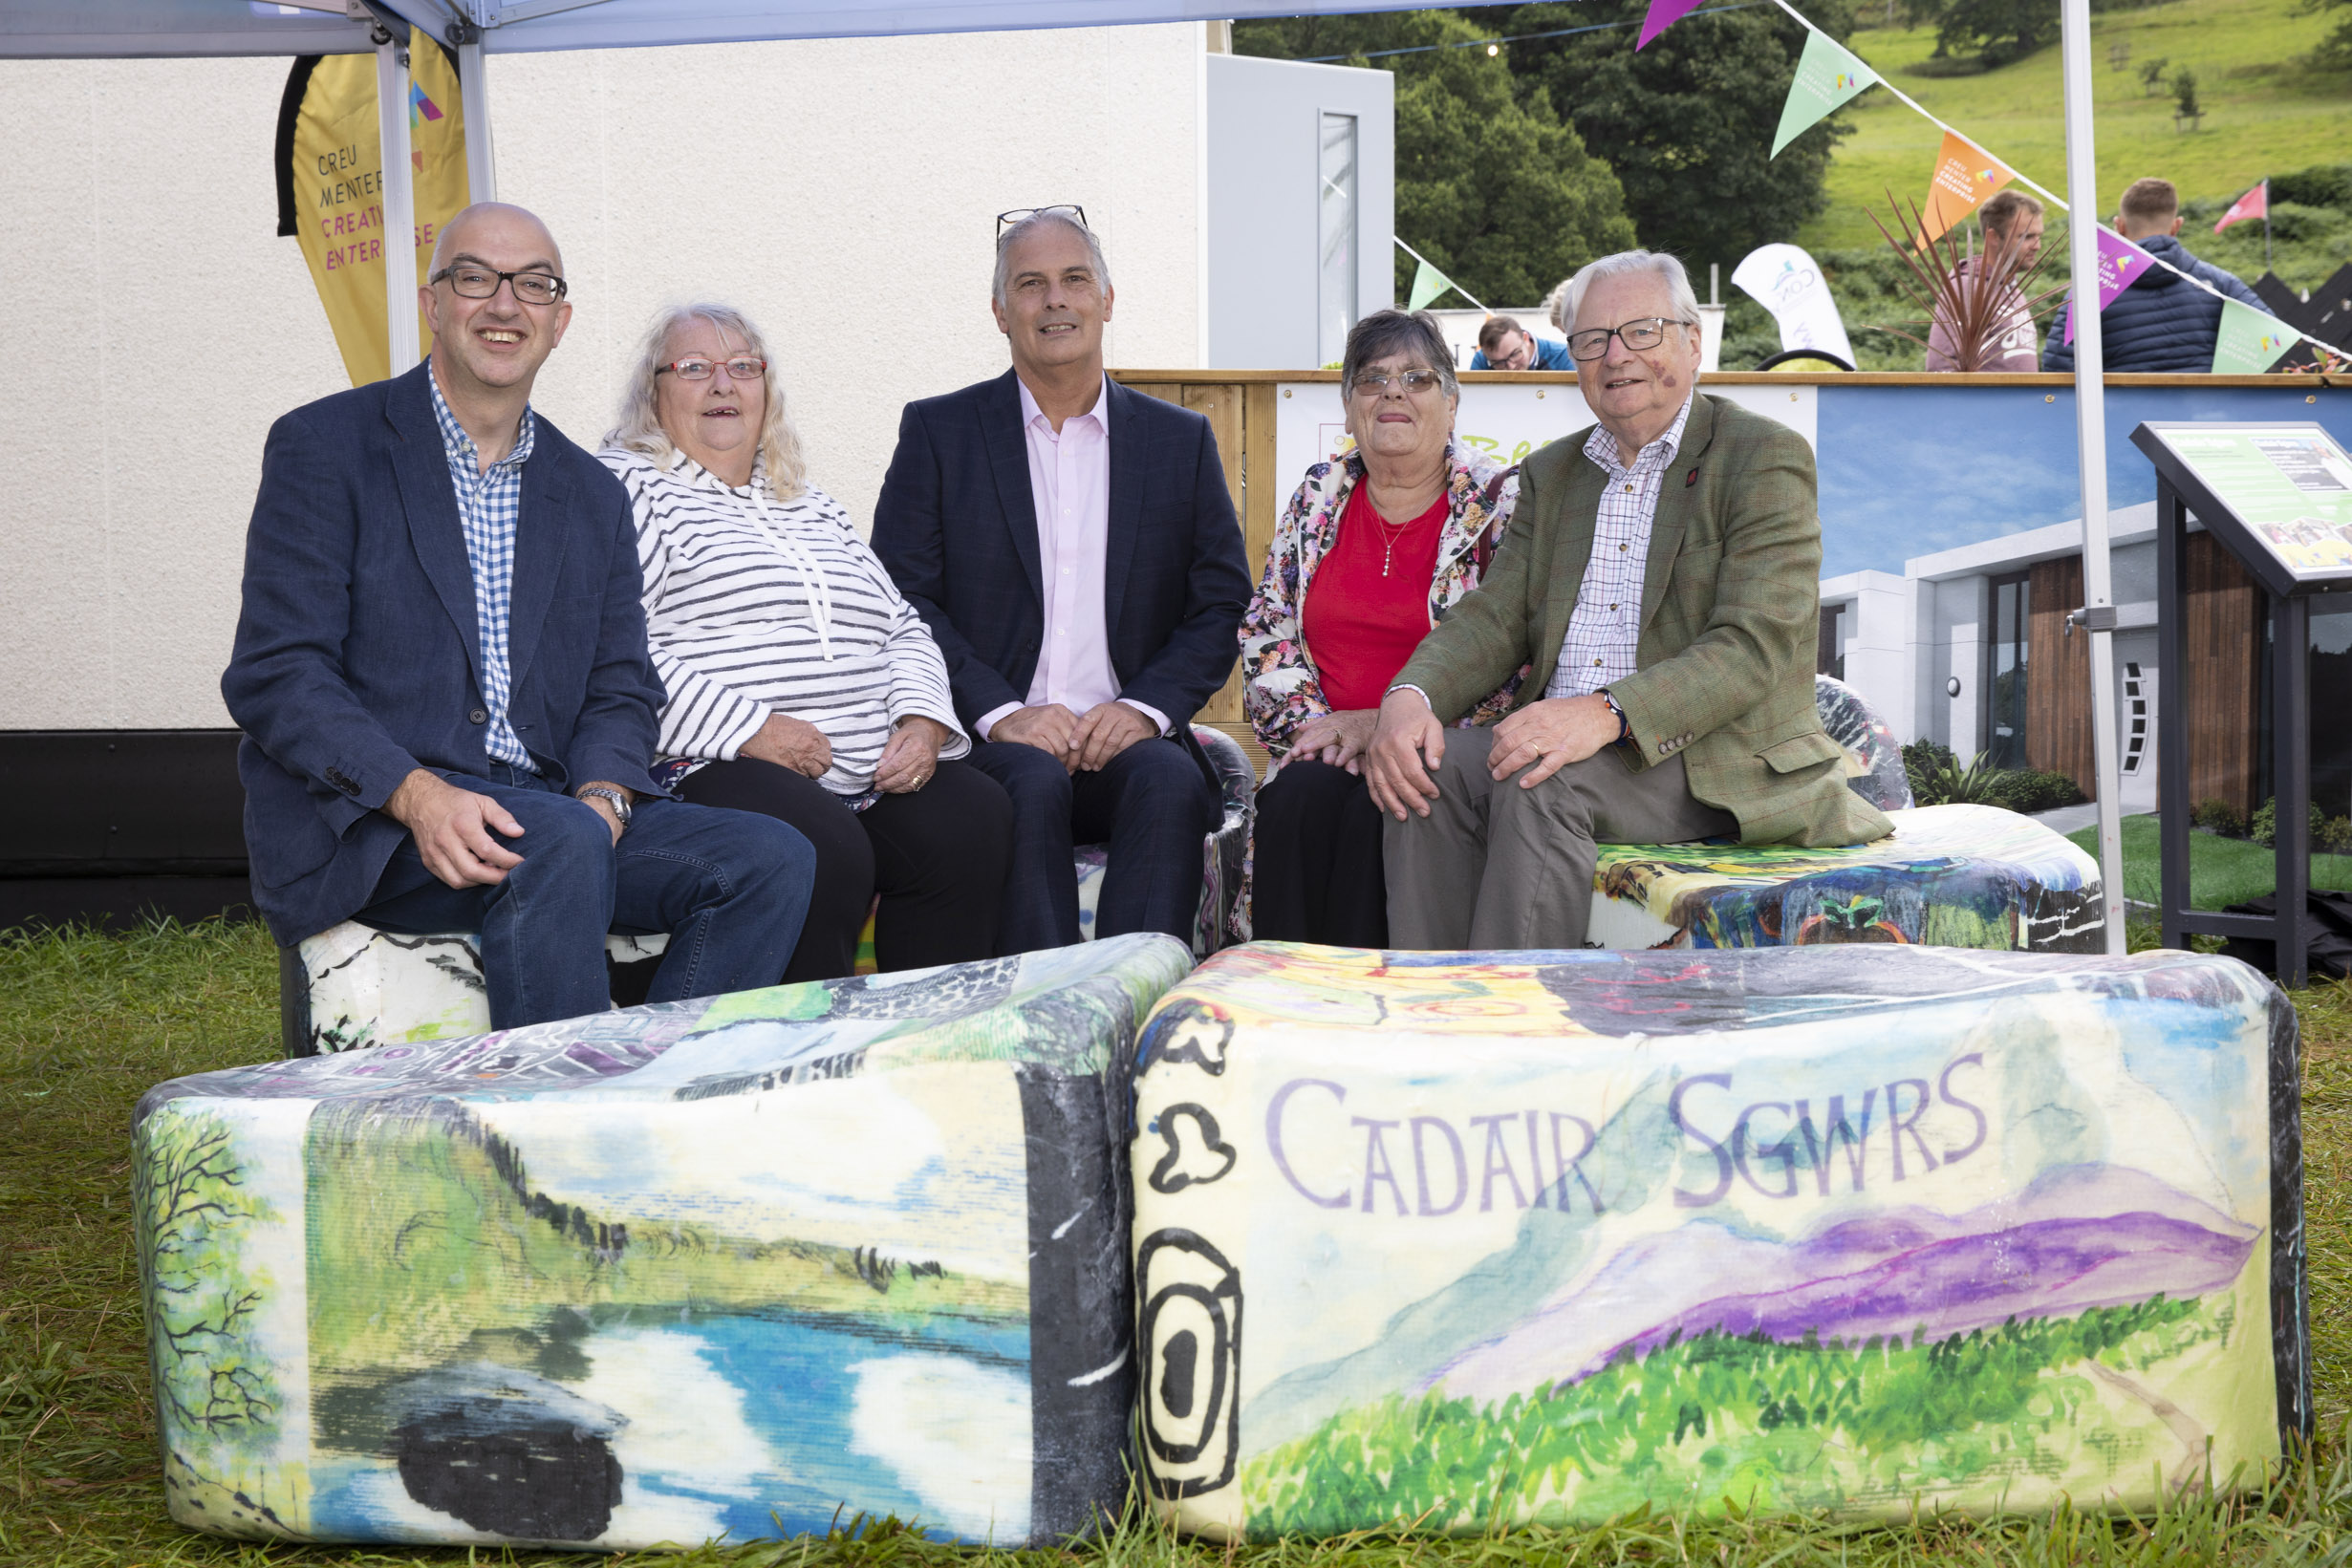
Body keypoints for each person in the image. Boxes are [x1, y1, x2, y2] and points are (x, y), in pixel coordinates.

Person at [223, 203, 814, 1029]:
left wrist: (606, 796)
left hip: (546, 813)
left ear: (559, 320)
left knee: (770, 856)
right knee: (557, 842)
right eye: (476, 277)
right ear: (434, 304)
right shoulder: (327, 447)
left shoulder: (591, 494)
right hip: (378, 823)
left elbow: (619, 685)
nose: (505, 304)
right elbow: (278, 673)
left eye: (533, 285)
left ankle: (660, 1099)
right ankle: (560, 1133)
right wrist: (418, 796)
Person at [1364, 249, 1891, 951]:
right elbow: (1494, 617)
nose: (1616, 356)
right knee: (1418, 770)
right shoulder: (1553, 474)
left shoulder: (1761, 455)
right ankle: (1435, 1011)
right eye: (1592, 340)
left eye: (1640, 331)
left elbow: (1753, 644)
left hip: (1707, 756)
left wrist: (1606, 713)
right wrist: (1411, 696)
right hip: (1570, 746)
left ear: (1692, 341)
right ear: (1572, 357)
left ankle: (1517, 1029)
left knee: (1538, 777)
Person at [873, 206, 1253, 954]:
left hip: (1126, 741)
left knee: (1170, 782)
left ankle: (1133, 1004)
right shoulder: (938, 433)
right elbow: (901, 601)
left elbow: (1219, 604)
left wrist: (1143, 709)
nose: (1055, 300)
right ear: (998, 310)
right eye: (1031, 284)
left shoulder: (1178, 441)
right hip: (993, 747)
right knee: (1032, 780)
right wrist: (1002, 711)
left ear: (1105, 300)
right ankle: (1050, 1017)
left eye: (1074, 279)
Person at [601, 303, 1013, 983]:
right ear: (655, 393)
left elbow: (902, 624)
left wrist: (921, 720)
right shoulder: (631, 488)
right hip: (712, 758)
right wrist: (752, 727)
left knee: (971, 816)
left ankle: (926, 1050)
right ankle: (804, 1061)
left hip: (857, 764)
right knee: (821, 845)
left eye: (743, 367)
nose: (723, 385)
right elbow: (616, 647)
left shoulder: (807, 501)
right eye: (695, 368)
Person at [1240, 309, 1521, 947]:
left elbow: (1517, 653)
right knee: (1294, 801)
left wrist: (1385, 727)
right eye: (1371, 379)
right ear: (1347, 410)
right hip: (1322, 747)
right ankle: (1283, 1005)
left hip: (1437, 752)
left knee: (1385, 802)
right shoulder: (1317, 495)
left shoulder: (1498, 501)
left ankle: (1373, 1022)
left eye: (1418, 378)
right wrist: (1324, 734)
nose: (1392, 392)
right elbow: (1266, 631)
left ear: (1451, 405)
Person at [2042, 177, 2266, 373]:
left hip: (2122, 420)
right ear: (2177, 226)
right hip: (2205, 418)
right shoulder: (2220, 283)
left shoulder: (2091, 290)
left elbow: (2057, 365)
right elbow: (2272, 340)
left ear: (2119, 227)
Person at [1926, 190, 2046, 372]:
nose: (2037, 246)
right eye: (2027, 237)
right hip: (1982, 400)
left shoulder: (2015, 291)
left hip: (2024, 401)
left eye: (2039, 236)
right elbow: (1941, 367)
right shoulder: (1966, 288)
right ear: (1994, 237)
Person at [1470, 314, 1575, 371]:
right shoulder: (1481, 360)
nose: (1511, 367)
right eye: (1498, 363)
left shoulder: (1563, 356)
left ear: (1525, 338)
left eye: (1514, 354)